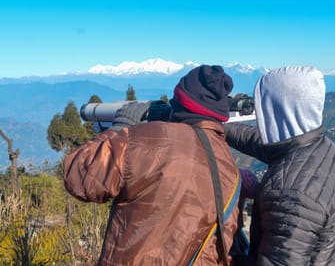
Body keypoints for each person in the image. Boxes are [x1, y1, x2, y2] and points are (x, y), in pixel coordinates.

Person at [63, 65, 241, 266]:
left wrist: (123, 125)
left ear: (180, 103)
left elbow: (78, 177)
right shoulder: (229, 166)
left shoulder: (145, 141)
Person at [223, 66, 335, 265]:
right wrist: (217, 127)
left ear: (277, 110)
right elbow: (261, 143)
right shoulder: (321, 147)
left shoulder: (290, 193)